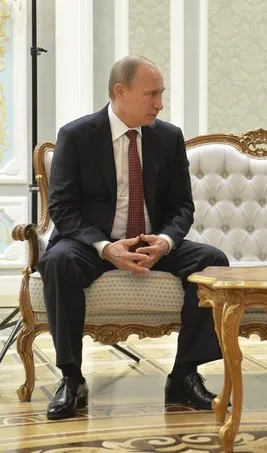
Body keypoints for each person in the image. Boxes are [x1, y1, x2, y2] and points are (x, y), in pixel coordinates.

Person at [37, 55, 228, 420]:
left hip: (151, 241)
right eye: (151, 94)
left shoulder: (168, 138)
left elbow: (182, 208)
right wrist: (106, 248)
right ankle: (72, 378)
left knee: (213, 261)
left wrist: (166, 242)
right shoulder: (76, 136)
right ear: (120, 92)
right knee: (58, 261)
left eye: (161, 94)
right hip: (92, 244)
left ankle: (185, 374)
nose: (159, 103)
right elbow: (62, 209)